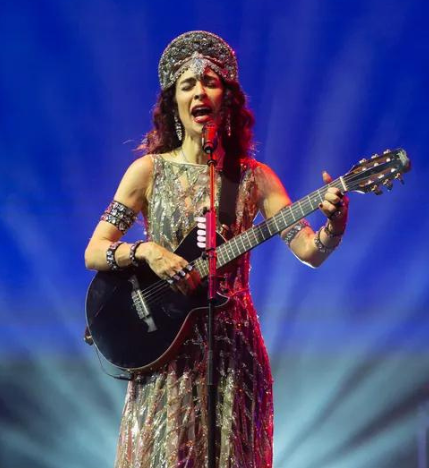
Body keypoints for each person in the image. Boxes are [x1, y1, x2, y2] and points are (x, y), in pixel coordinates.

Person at [84, 31, 349, 468]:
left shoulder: (255, 178)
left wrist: (334, 226)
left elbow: (309, 249)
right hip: (163, 348)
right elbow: (95, 251)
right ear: (173, 102)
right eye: (187, 85)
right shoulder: (146, 171)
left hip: (232, 351)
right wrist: (147, 252)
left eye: (210, 82)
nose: (199, 91)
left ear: (227, 98)